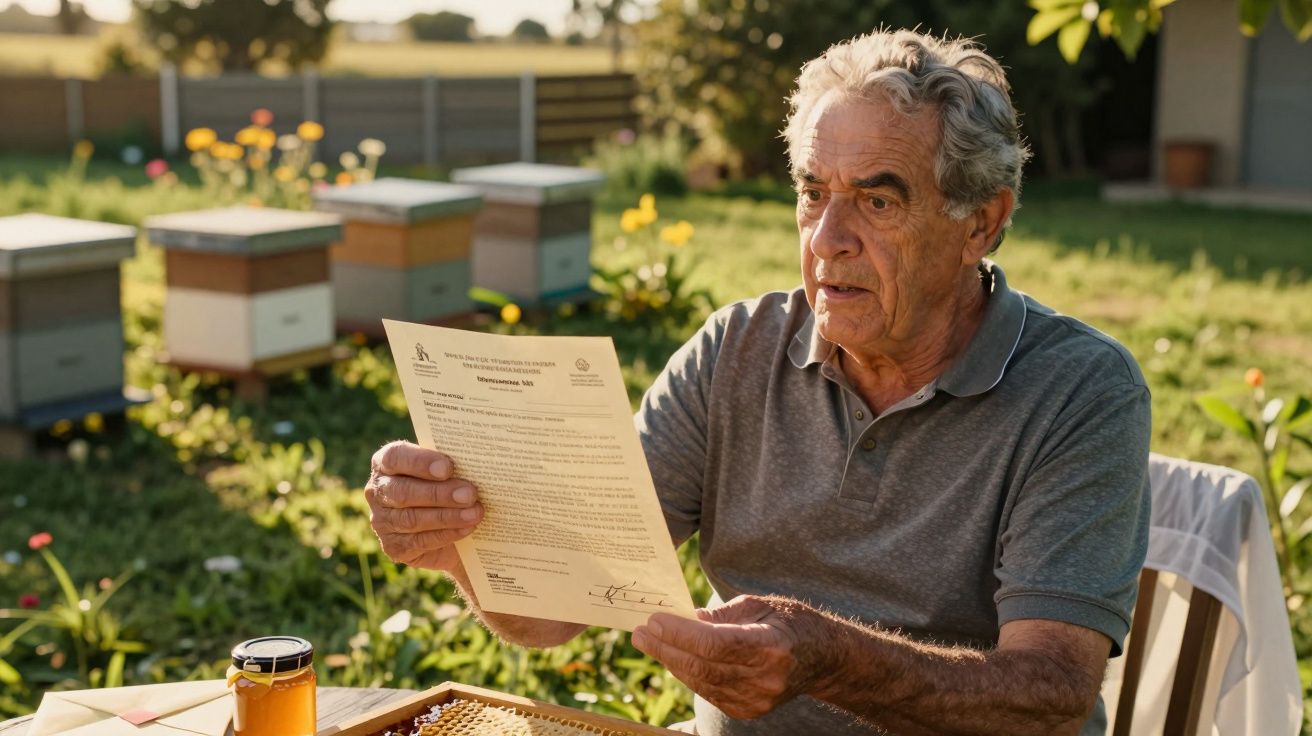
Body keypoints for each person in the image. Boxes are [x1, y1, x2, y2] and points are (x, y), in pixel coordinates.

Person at [364, 29, 1151, 736]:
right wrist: (457, 542)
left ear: (981, 220)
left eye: (876, 200)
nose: (828, 241)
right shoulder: (735, 350)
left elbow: (1049, 696)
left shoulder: (1080, 390)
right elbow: (554, 612)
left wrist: (830, 659)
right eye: (813, 194)